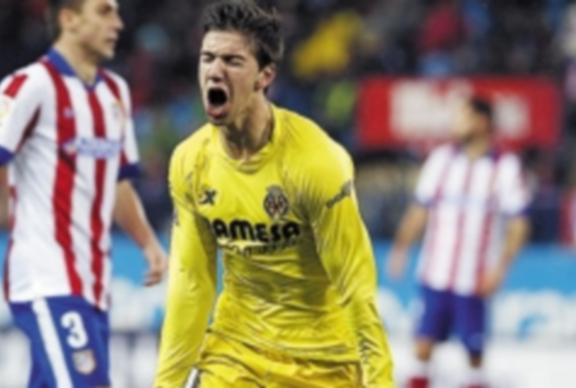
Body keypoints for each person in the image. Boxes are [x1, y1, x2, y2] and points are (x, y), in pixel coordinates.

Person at [0, 1, 168, 387]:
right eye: (105, 12)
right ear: (69, 18)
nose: (118, 23)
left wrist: (149, 246)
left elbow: (117, 181)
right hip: (47, 279)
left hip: (94, 284)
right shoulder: (30, 86)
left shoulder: (115, 93)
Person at [154, 1, 394, 387]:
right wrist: (166, 383)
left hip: (323, 361)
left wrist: (380, 380)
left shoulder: (316, 162)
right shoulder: (190, 162)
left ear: (264, 75)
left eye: (232, 61)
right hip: (236, 351)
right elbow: (192, 282)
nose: (214, 71)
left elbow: (356, 284)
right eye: (208, 58)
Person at [387, 97, 530, 388]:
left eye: (462, 117)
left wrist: (500, 269)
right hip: (435, 272)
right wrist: (400, 249)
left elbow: (519, 224)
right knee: (422, 347)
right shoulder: (441, 160)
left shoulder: (504, 166)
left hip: (473, 277)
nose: (455, 124)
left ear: (482, 122)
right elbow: (419, 211)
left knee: (474, 355)